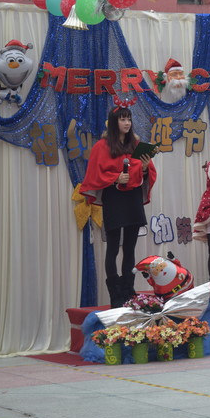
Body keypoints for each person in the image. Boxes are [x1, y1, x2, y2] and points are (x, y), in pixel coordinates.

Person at [80, 96, 157, 308]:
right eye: (122, 119)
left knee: (130, 247)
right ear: (114, 122)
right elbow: (95, 174)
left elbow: (147, 172)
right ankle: (115, 294)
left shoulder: (136, 144)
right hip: (114, 198)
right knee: (113, 247)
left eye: (129, 119)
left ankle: (128, 290)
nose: (127, 123)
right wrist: (115, 178)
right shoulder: (101, 146)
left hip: (132, 197)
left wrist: (144, 168)